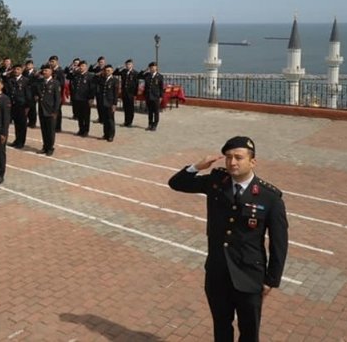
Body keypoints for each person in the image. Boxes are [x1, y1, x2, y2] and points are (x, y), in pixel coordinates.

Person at [168, 136, 288, 342]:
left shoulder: (269, 197)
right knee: (221, 327)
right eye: (228, 157)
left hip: (249, 276)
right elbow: (176, 184)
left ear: (252, 162)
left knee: (249, 332)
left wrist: (271, 280)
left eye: (238, 157)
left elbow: (279, 242)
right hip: (217, 273)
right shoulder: (216, 182)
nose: (232, 162)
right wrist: (197, 166)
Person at [5, 64, 32, 149]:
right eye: (15, 69)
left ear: (21, 70)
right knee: (16, 124)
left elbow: (28, 95)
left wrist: (27, 106)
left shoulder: (25, 80)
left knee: (22, 125)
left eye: (18, 69)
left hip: (22, 105)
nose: (16, 71)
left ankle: (21, 142)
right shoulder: (10, 80)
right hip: (13, 105)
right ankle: (17, 140)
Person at [36, 64, 61, 156]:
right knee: (44, 129)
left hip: (51, 111)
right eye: (43, 70)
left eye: (46, 70)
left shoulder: (55, 83)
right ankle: (45, 146)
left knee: (50, 131)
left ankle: (50, 147)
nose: (44, 72)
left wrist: (55, 111)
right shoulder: (40, 82)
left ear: (51, 72)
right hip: (42, 109)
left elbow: (57, 99)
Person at [68, 61, 94, 137]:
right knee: (80, 116)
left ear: (86, 67)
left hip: (86, 99)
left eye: (83, 66)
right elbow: (69, 77)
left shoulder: (90, 76)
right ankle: (81, 129)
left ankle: (86, 130)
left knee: (86, 116)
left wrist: (91, 98)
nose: (81, 67)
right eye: (80, 66)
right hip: (77, 98)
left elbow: (92, 88)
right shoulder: (77, 75)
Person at [96, 65, 119, 142]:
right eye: (106, 70)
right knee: (105, 120)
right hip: (103, 102)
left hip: (110, 102)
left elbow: (115, 94)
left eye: (109, 70)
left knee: (110, 120)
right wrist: (100, 74)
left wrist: (114, 104)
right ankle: (105, 134)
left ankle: (111, 135)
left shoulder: (114, 80)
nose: (107, 72)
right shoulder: (102, 79)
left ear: (112, 71)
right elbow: (95, 81)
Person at [143, 61, 164, 131]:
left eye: (154, 67)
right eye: (151, 67)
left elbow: (161, 88)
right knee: (150, 112)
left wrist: (161, 96)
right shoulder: (147, 75)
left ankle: (155, 125)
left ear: (156, 67)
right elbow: (139, 75)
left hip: (156, 97)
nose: (152, 68)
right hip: (148, 96)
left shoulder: (160, 76)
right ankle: (150, 124)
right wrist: (145, 70)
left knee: (156, 112)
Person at [118, 59, 139, 127]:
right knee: (126, 108)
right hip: (124, 93)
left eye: (129, 64)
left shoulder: (135, 73)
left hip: (131, 93)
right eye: (127, 64)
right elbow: (115, 72)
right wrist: (121, 67)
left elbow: (136, 85)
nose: (128, 66)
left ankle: (130, 122)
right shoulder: (124, 71)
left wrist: (135, 94)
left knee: (130, 108)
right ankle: (126, 121)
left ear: (132, 65)